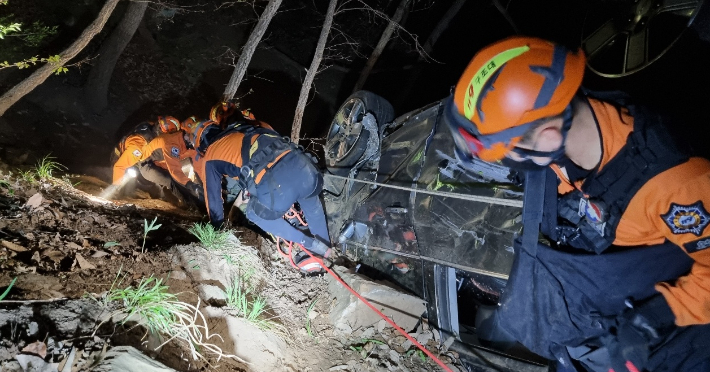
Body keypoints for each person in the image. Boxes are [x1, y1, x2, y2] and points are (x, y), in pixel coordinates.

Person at [446, 36, 710, 372]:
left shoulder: (676, 181)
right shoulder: (559, 147)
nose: (508, 163)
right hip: (596, 315)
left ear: (548, 135)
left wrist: (655, 316)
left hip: (673, 333)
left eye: (507, 152)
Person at [187, 116, 332, 273]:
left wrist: (217, 230)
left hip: (277, 183)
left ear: (201, 144)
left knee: (253, 212)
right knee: (311, 205)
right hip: (305, 169)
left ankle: (306, 243)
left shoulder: (210, 154)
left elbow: (213, 197)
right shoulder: (248, 129)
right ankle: (326, 250)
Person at [136, 116, 203, 206]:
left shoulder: (191, 144)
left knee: (181, 178)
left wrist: (203, 183)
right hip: (147, 165)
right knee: (170, 180)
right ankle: (191, 206)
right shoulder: (171, 143)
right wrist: (190, 185)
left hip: (163, 162)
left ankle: (185, 198)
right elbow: (174, 170)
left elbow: (198, 165)